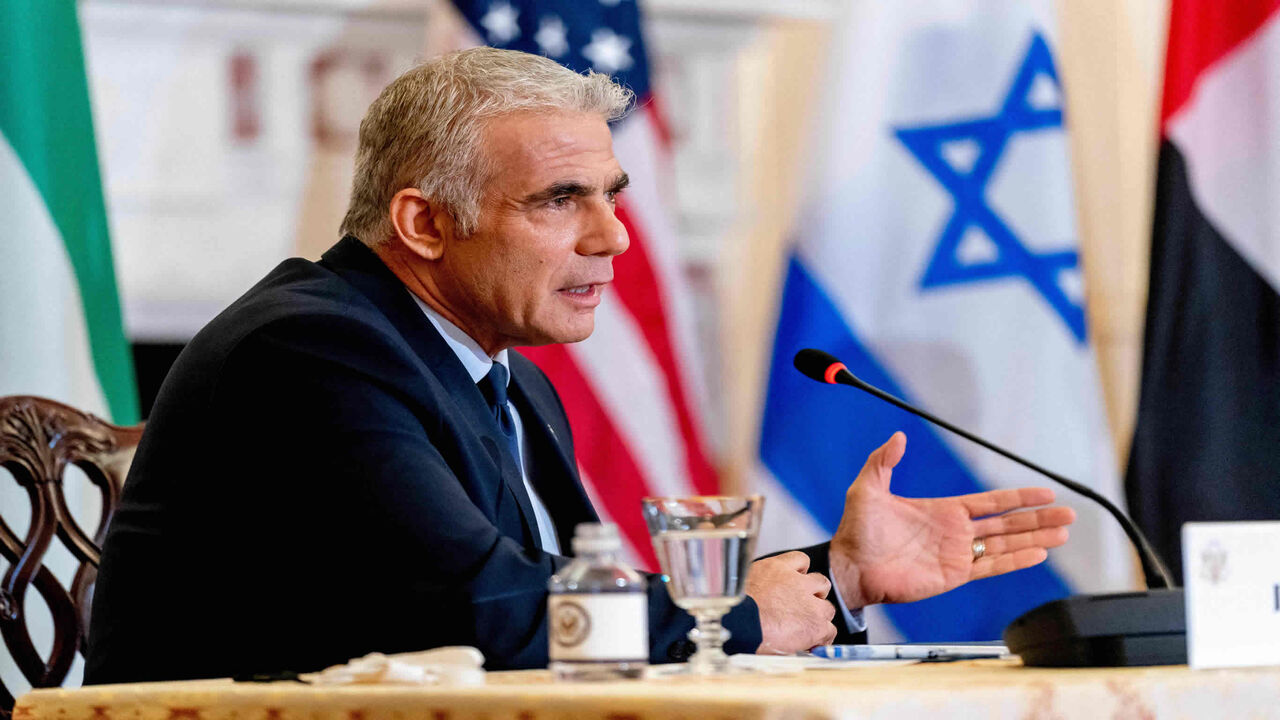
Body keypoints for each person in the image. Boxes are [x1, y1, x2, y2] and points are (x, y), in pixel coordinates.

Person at [85, 47, 1074, 684]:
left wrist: (837, 573)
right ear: (423, 222)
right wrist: (736, 616)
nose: (613, 239)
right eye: (559, 200)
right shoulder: (310, 350)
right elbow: (488, 617)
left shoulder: (507, 376)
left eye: (611, 194)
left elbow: (572, 603)